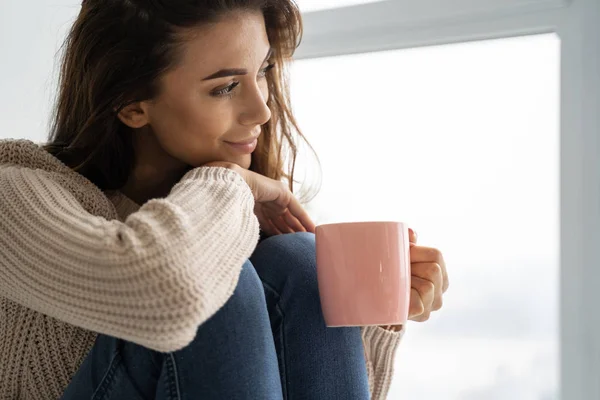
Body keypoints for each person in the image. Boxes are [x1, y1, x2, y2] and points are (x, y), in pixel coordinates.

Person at [0, 1, 449, 399]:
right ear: (133, 105)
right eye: (225, 87)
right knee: (219, 283)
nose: (263, 111)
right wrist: (229, 182)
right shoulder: (16, 192)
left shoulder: (237, 214)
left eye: (263, 72)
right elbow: (166, 291)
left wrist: (372, 311)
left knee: (300, 259)